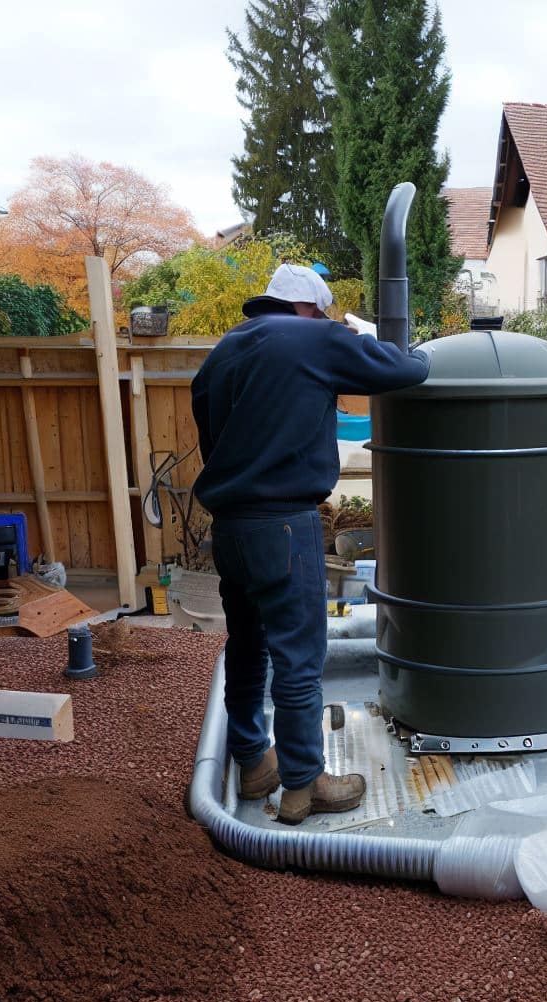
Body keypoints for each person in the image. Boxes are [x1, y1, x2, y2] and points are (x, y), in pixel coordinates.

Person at [191, 264, 430, 825]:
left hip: (230, 527)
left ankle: (254, 762)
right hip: (283, 524)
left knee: (247, 647)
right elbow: (407, 369)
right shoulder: (310, 337)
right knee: (298, 658)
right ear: (311, 309)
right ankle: (304, 784)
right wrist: (372, 338)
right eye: (322, 313)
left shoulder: (222, 353)